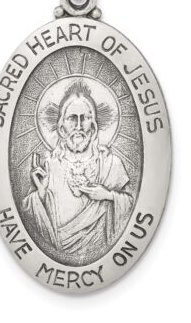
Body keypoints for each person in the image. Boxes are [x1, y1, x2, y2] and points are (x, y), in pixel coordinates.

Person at [23, 81, 132, 263]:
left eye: (85, 118)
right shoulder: (49, 167)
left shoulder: (111, 165)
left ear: (94, 126)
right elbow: (29, 220)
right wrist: (41, 194)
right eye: (72, 118)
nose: (79, 126)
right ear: (61, 127)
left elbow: (131, 206)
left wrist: (108, 196)